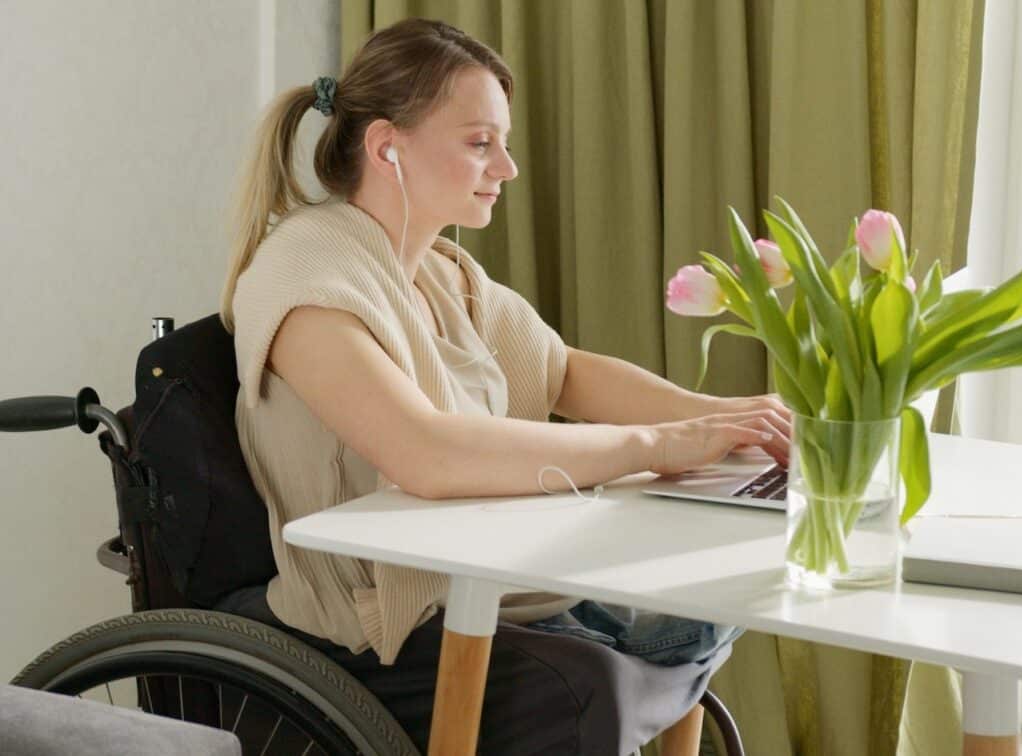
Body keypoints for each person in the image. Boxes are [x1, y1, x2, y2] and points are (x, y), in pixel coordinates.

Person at [219, 17, 791, 755]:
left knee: (716, 596)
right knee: (608, 669)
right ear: (387, 147)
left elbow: (565, 372)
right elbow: (424, 454)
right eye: (480, 142)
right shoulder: (306, 278)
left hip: (486, 585)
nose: (508, 167)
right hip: (381, 627)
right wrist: (657, 444)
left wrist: (729, 419)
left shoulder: (437, 270)